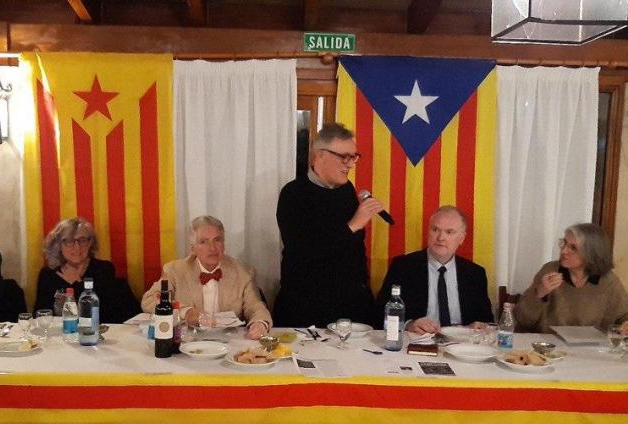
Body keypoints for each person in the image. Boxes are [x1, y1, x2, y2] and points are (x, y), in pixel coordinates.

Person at [273, 123, 386, 327]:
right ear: (320, 156)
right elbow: (304, 251)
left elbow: (353, 250)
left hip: (351, 307)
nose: (350, 164)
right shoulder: (293, 194)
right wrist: (353, 225)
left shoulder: (347, 190)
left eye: (353, 157)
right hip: (306, 309)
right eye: (344, 157)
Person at [141, 215, 271, 339]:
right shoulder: (174, 271)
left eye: (217, 240)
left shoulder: (243, 273)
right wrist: (185, 312)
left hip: (230, 342)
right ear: (193, 248)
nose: (212, 248)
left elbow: (255, 307)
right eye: (203, 242)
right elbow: (149, 300)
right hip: (186, 341)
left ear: (223, 244)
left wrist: (260, 323)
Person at [375, 205, 493, 333]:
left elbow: (486, 320)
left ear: (462, 238)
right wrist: (409, 325)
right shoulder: (403, 266)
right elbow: (380, 314)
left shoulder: (475, 273)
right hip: (417, 339)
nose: (440, 238)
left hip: (462, 341)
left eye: (449, 232)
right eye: (435, 229)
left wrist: (479, 326)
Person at [515, 223, 628, 334]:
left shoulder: (608, 281)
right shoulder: (550, 270)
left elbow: (624, 317)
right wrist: (539, 293)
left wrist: (625, 325)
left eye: (573, 248)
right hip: (548, 343)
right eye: (564, 243)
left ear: (591, 253)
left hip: (592, 345)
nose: (564, 251)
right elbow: (522, 319)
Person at [34, 218, 140, 324]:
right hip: (59, 332)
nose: (77, 247)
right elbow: (40, 315)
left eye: (82, 240)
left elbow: (104, 314)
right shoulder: (48, 274)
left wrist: (77, 283)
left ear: (90, 243)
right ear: (59, 245)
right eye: (69, 241)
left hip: (94, 331)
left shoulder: (103, 269)